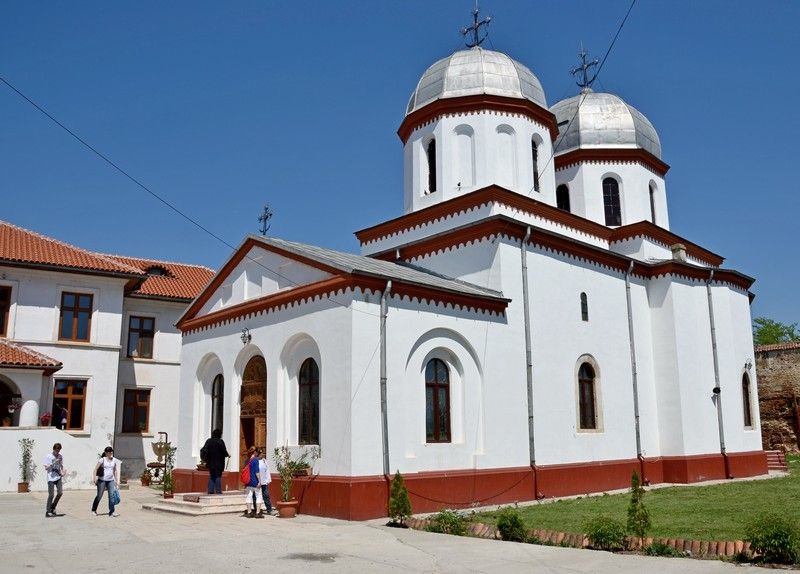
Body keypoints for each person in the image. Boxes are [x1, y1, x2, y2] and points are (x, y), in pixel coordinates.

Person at [92, 446, 121, 517]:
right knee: (99, 496)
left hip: (110, 480)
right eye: (108, 452)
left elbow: (115, 470)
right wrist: (94, 478)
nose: (110, 453)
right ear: (106, 453)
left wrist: (117, 480)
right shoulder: (102, 460)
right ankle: (94, 509)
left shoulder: (114, 460)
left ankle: (111, 511)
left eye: (111, 452)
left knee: (111, 496)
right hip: (102, 481)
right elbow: (95, 469)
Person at [200, 428, 230, 494]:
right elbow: (224, 452)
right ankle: (218, 491)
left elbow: (204, 450)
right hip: (219, 463)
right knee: (218, 476)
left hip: (210, 463)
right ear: (219, 434)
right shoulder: (220, 441)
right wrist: (228, 455)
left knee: (212, 476)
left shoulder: (209, 441)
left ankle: (210, 490)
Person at [43, 442, 65, 517]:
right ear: (54, 449)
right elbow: (46, 468)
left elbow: (61, 465)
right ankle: (48, 511)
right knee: (51, 495)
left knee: (60, 493)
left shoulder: (60, 456)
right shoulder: (49, 456)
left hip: (58, 477)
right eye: (56, 450)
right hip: (51, 478)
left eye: (59, 450)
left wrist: (62, 472)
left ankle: (53, 507)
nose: (57, 452)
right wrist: (53, 463)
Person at [242, 446, 262, 518]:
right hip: (255, 481)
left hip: (248, 481)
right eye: (258, 452)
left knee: (249, 496)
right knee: (258, 496)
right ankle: (257, 513)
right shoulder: (255, 460)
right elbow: (257, 472)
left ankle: (249, 512)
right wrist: (260, 481)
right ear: (255, 452)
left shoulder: (247, 460)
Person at [257, 448, 274, 517]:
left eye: (263, 453)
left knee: (266, 495)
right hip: (257, 482)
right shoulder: (255, 461)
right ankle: (257, 510)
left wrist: (268, 480)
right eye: (261, 453)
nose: (263, 455)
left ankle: (269, 510)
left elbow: (267, 471)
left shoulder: (264, 461)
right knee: (256, 496)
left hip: (264, 481)